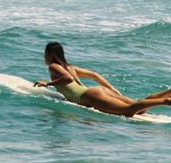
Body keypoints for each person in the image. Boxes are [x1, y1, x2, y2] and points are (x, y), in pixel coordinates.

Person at [34, 41, 171, 117]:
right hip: (97, 91)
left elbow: (67, 78)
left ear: (49, 54)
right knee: (140, 109)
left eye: (45, 54)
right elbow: (95, 75)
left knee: (128, 111)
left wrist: (48, 83)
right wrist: (111, 88)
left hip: (87, 96)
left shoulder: (53, 66)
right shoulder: (70, 67)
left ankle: (166, 101)